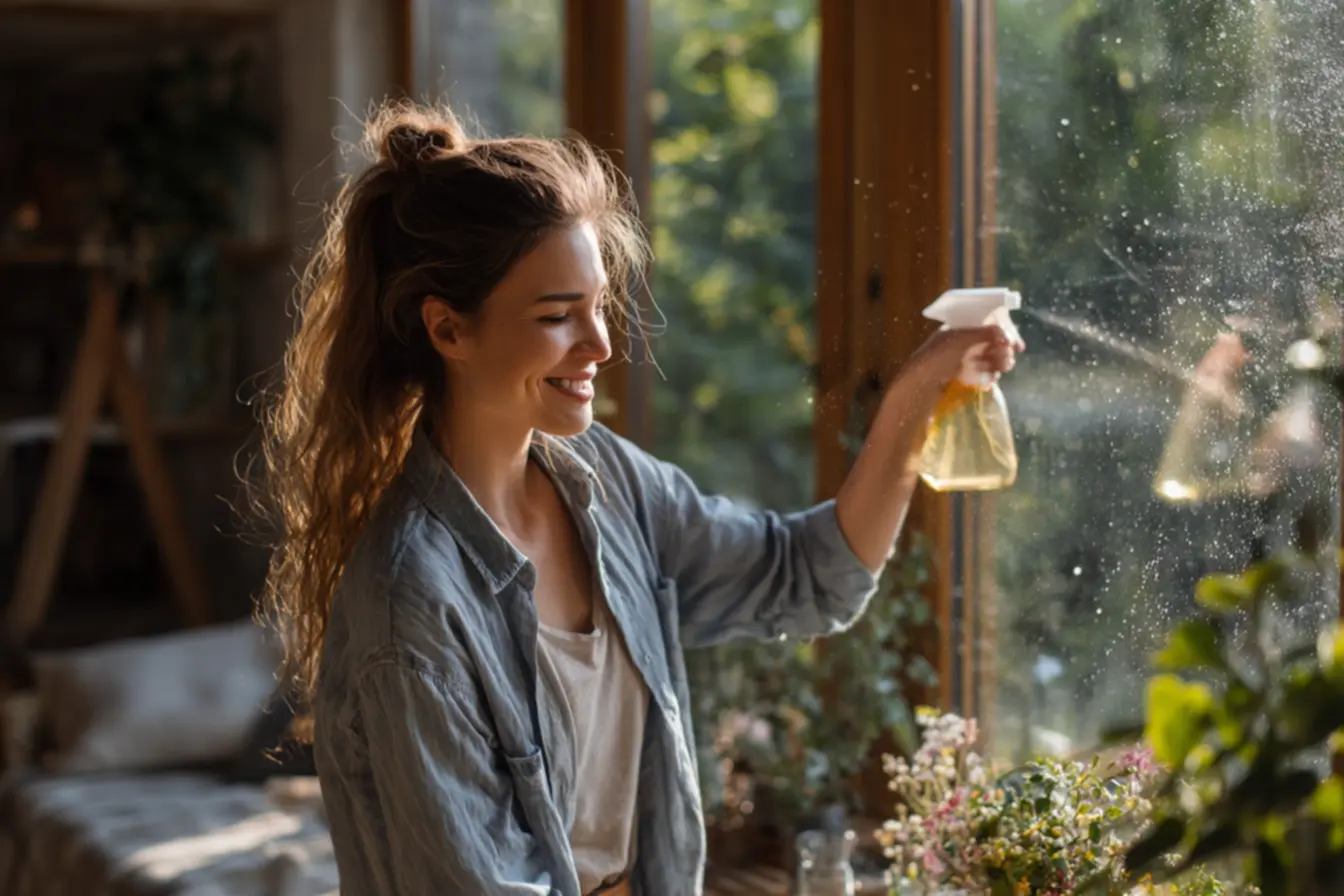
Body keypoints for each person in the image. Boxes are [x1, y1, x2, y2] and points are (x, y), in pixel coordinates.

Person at [253, 100, 1018, 896]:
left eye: (597, 305)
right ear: (448, 330)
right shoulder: (411, 603)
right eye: (558, 316)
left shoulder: (606, 484)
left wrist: (917, 393)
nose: (601, 344)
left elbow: (807, 576)